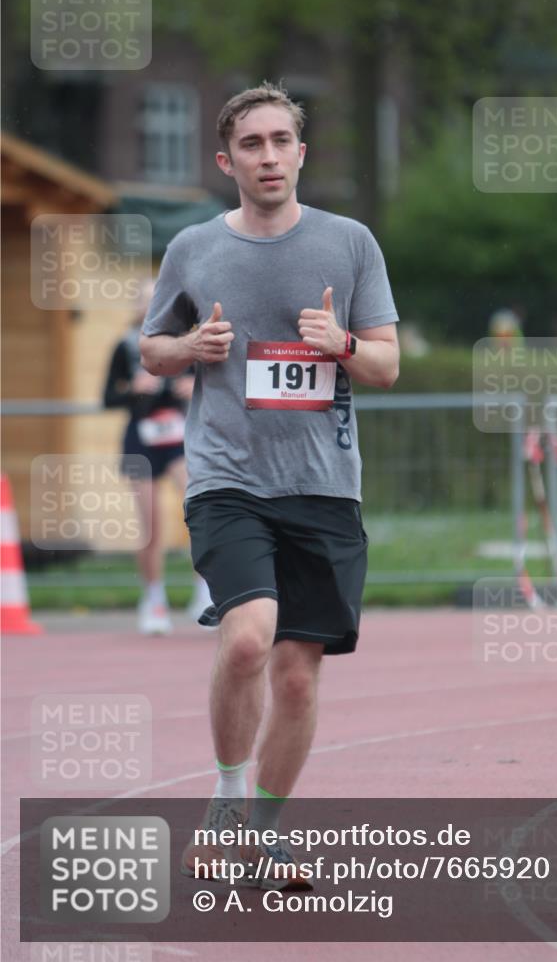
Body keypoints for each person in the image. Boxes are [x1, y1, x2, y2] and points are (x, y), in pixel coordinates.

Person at [139, 82, 400, 886]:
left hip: (323, 487)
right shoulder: (192, 249)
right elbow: (152, 351)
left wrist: (340, 340)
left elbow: (386, 365)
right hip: (227, 478)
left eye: (280, 141)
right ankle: (222, 806)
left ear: (301, 153)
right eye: (251, 144)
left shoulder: (349, 243)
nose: (268, 156)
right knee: (248, 637)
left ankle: (265, 828)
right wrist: (191, 348)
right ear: (227, 161)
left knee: (295, 671)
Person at [103, 280, 212, 635]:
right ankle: (153, 598)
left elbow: (213, 387)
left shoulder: (187, 341)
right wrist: (132, 390)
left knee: (197, 512)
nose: (151, 308)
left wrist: (195, 388)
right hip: (141, 439)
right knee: (151, 524)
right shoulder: (125, 345)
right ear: (137, 307)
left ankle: (204, 593)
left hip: (181, 437)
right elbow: (108, 398)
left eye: (158, 301)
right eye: (145, 302)